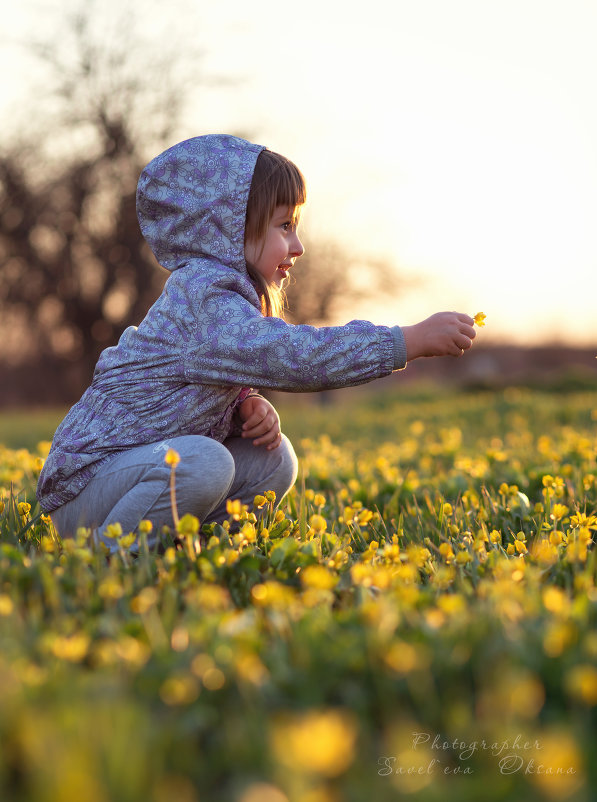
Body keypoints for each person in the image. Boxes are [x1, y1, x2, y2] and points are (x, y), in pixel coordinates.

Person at [36, 134, 476, 551]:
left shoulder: (228, 302)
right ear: (228, 228)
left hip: (134, 476)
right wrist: (405, 341)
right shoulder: (204, 297)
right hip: (89, 488)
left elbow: (186, 391)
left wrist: (241, 402)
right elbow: (292, 357)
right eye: (284, 225)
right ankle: (107, 559)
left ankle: (199, 555)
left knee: (274, 458)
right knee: (205, 462)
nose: (298, 245)